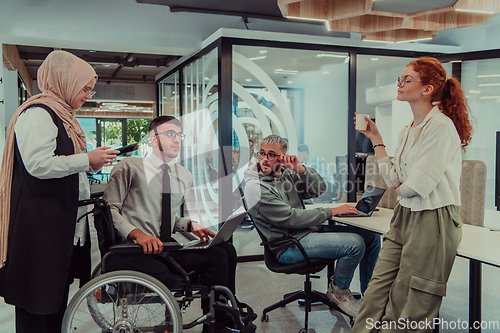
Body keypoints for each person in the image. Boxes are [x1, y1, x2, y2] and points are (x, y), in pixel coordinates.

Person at [0, 50, 118, 333]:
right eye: (84, 88)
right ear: (64, 81)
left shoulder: (64, 116)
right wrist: (87, 160)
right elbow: (38, 165)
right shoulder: (39, 113)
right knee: (37, 302)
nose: (88, 94)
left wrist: (89, 165)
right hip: (40, 227)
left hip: (60, 225)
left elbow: (64, 167)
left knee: (54, 298)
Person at [352, 57, 472, 333]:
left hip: (434, 219)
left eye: (407, 79)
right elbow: (395, 179)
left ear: (427, 89)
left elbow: (415, 187)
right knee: (376, 290)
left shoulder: (440, 127)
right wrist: (375, 138)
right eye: (400, 79)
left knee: (409, 303)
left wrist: (402, 185)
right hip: (405, 215)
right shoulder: (408, 130)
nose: (400, 84)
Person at [103, 115, 245, 333]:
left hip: (165, 247)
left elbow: (167, 217)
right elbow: (109, 210)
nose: (177, 140)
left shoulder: (183, 175)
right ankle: (219, 325)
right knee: (217, 258)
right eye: (170, 134)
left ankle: (222, 318)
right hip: (136, 250)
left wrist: (190, 225)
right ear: (152, 138)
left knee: (226, 249)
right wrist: (137, 234)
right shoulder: (129, 167)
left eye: (180, 135)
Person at [244, 134, 381, 318]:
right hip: (288, 246)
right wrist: (332, 211)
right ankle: (339, 291)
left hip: (306, 233)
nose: (265, 159)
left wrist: (300, 169)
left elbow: (320, 189)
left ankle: (370, 298)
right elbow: (291, 218)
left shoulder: (286, 174)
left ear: (282, 157)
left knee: (370, 236)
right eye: (262, 153)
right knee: (354, 243)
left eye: (271, 154)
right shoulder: (255, 188)